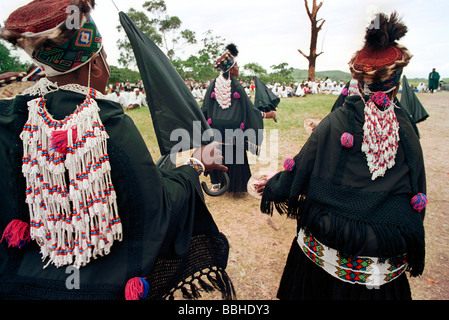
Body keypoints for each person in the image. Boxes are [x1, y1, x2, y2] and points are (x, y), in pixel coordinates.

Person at [0, 0, 234, 300]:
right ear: (96, 64)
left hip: (18, 283)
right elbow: (155, 207)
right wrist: (195, 165)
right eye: (105, 59)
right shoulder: (105, 121)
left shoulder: (10, 117)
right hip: (99, 290)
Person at [256, 12, 426, 300]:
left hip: (325, 263)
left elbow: (301, 170)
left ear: (358, 81)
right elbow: (418, 191)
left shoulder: (336, 122)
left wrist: (274, 184)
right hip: (382, 268)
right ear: (396, 84)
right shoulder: (407, 129)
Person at [201, 43, 275, 195]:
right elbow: (249, 109)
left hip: (215, 127)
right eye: (237, 66)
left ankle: (217, 183)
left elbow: (205, 108)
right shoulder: (237, 85)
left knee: (217, 151)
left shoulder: (213, 84)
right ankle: (236, 187)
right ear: (231, 69)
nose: (239, 68)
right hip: (234, 129)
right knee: (236, 154)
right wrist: (266, 115)